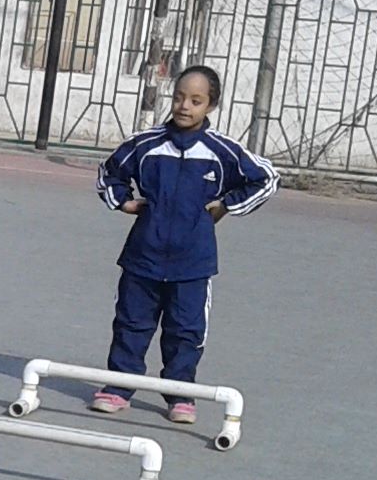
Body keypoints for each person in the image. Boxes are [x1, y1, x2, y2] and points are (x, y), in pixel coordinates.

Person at [90, 64, 276, 421]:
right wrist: (123, 201)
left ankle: (180, 395)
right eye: (178, 97)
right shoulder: (145, 144)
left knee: (185, 330)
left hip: (193, 262)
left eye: (195, 100)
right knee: (131, 324)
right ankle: (118, 387)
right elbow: (109, 172)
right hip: (143, 256)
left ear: (211, 105)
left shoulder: (221, 150)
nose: (184, 106)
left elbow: (266, 178)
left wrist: (227, 205)